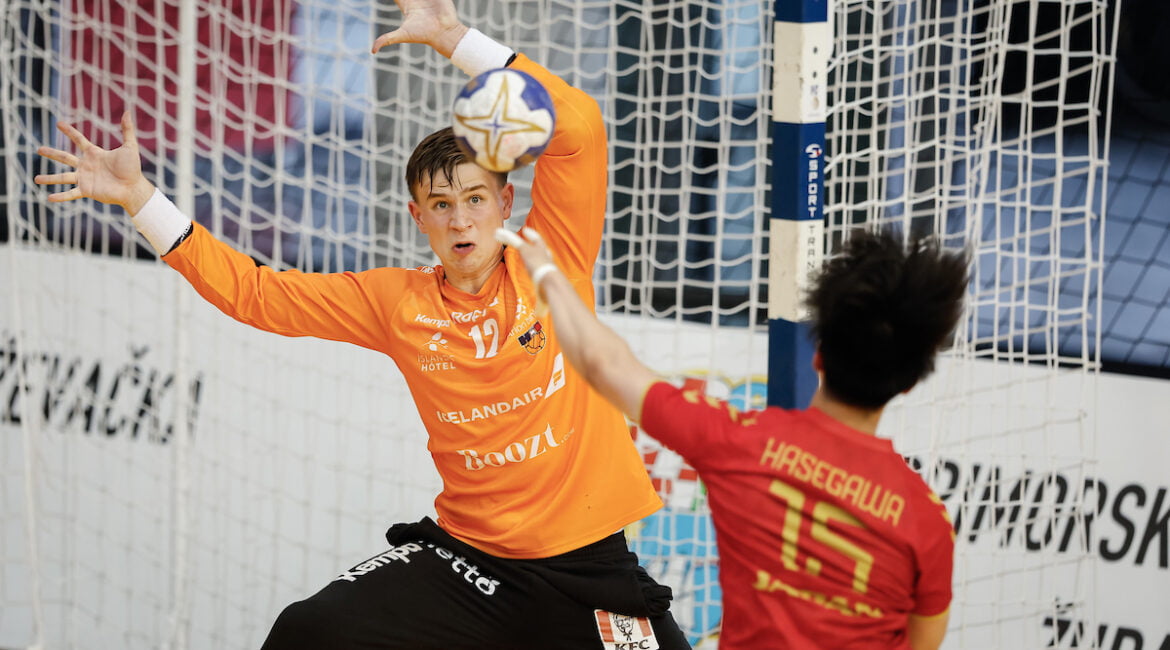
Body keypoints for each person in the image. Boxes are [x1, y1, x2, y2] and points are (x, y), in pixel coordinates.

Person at [34, 1, 690, 648]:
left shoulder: (554, 261)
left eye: (474, 199)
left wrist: (454, 38)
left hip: (589, 571)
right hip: (471, 565)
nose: (460, 220)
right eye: (441, 204)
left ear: (505, 202)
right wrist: (140, 199)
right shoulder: (396, 301)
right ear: (418, 217)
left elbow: (582, 126)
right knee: (308, 632)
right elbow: (255, 293)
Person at [497, 225, 967, 650]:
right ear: (909, 383)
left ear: (818, 354)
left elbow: (605, 366)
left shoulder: (740, 442)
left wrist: (547, 275)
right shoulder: (926, 520)